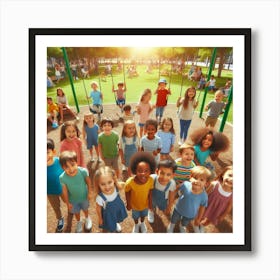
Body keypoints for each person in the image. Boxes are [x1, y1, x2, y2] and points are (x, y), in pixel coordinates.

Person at [167, 166, 211, 233]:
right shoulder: (186, 185)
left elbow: (202, 207)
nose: (197, 181)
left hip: (190, 214)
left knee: (185, 222)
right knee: (174, 218)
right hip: (178, 208)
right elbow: (176, 189)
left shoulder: (204, 196)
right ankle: (172, 225)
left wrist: (198, 218)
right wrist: (171, 201)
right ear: (190, 177)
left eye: (201, 180)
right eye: (195, 178)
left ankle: (182, 226)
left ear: (206, 183)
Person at [59, 151, 92, 233]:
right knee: (76, 212)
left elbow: (88, 182)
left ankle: (87, 218)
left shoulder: (83, 171)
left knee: (85, 209)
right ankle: (79, 221)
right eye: (66, 167)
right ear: (62, 168)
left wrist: (90, 192)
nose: (71, 169)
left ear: (77, 163)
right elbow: (65, 191)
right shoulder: (62, 178)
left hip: (84, 197)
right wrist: (67, 203)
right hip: (73, 200)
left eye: (73, 165)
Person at [125, 152, 156, 233]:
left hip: (145, 205)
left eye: (146, 170)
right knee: (135, 217)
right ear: (135, 170)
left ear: (150, 171)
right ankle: (136, 225)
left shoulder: (150, 180)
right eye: (140, 170)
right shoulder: (130, 182)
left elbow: (150, 191)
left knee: (143, 215)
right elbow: (127, 191)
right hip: (135, 206)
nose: (143, 173)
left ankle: (142, 223)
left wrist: (150, 203)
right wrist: (128, 203)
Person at [195, 165, 233, 233]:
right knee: (201, 216)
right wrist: (198, 204)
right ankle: (197, 225)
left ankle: (202, 225)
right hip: (206, 206)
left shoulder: (233, 193)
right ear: (223, 175)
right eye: (230, 175)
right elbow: (205, 195)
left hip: (217, 210)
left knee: (209, 220)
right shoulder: (214, 185)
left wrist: (223, 215)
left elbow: (229, 206)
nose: (232, 179)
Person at [94, 166, 128, 232]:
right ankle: (110, 227)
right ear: (98, 184)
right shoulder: (100, 198)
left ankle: (115, 224)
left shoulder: (116, 187)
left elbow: (126, 184)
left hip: (117, 210)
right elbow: (98, 209)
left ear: (114, 180)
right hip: (108, 215)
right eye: (103, 184)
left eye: (109, 182)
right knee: (108, 226)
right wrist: (100, 219)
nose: (107, 187)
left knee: (116, 218)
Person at [148, 159, 177, 224]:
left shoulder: (172, 183)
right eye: (162, 173)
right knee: (151, 206)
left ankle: (164, 210)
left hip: (163, 200)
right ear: (157, 171)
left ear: (173, 175)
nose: (164, 177)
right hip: (152, 198)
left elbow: (171, 195)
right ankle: (151, 211)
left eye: (168, 174)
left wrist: (169, 207)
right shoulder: (152, 178)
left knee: (164, 209)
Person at [47, 138, 65, 232]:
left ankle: (72, 210)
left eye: (47, 152)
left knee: (68, 201)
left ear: (53, 152)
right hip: (50, 192)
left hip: (63, 188)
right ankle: (60, 218)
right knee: (56, 207)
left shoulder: (59, 161)